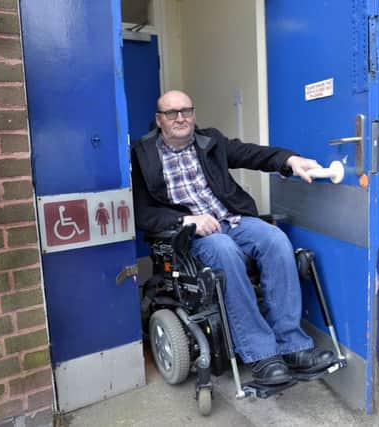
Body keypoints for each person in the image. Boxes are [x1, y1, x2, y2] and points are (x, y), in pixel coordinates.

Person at [131, 90, 333, 385]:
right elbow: (141, 211)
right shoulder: (142, 154)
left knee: (275, 240)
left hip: (233, 220)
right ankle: (261, 353)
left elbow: (253, 154)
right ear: (159, 120)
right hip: (190, 233)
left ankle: (292, 346)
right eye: (172, 112)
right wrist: (185, 219)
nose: (180, 117)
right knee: (223, 249)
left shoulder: (209, 141)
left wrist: (290, 160)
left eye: (186, 110)